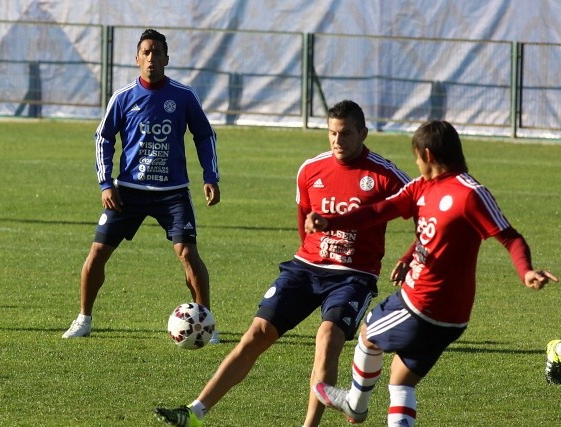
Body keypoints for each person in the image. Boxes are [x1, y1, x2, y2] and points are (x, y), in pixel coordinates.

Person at [154, 100, 411, 427]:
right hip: (305, 268)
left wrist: (408, 257)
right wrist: (312, 242)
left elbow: (426, 208)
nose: (337, 141)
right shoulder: (311, 170)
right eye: (332, 133)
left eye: (345, 134)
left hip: (353, 277)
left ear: (363, 132)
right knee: (257, 333)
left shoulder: (385, 174)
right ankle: (194, 413)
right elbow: (303, 221)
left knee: (328, 337)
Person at [306, 120, 559, 426]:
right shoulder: (421, 187)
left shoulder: (470, 193)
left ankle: (355, 403)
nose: (416, 163)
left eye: (416, 157)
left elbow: (509, 236)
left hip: (422, 304)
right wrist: (334, 223)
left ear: (426, 154)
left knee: (367, 334)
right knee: (400, 381)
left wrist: (525, 271)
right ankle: (361, 405)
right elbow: (381, 212)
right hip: (453, 318)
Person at [62, 29, 220, 341]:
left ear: (166, 59)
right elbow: (103, 138)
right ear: (137, 59)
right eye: (146, 53)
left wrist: (210, 176)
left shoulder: (184, 96)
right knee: (97, 253)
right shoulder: (122, 98)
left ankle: (205, 322)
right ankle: (84, 318)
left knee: (188, 254)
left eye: (157, 53)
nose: (151, 58)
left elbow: (205, 135)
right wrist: (106, 184)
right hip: (128, 192)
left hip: (172, 192)